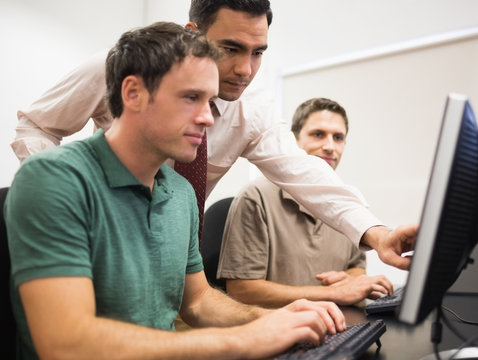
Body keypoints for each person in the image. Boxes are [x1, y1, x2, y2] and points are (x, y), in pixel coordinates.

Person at [5, 22, 346, 360]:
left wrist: (270, 319)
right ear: (133, 93)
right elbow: (66, 343)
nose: (208, 118)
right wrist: (240, 341)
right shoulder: (52, 179)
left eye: (210, 100)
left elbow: (197, 301)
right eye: (191, 98)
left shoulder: (180, 192)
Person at [11, 0, 417, 271]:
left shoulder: (251, 107)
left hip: (176, 258)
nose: (245, 69)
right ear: (193, 33)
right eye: (231, 49)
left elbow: (306, 173)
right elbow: (38, 124)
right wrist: (66, 198)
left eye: (258, 52)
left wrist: (377, 233)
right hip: (103, 240)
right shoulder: (119, 67)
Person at [218, 97, 394, 308]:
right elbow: (242, 291)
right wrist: (332, 293)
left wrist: (351, 279)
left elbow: (357, 266)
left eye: (338, 137)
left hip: (338, 326)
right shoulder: (256, 198)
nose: (330, 146)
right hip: (279, 330)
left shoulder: (350, 204)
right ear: (293, 140)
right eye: (318, 134)